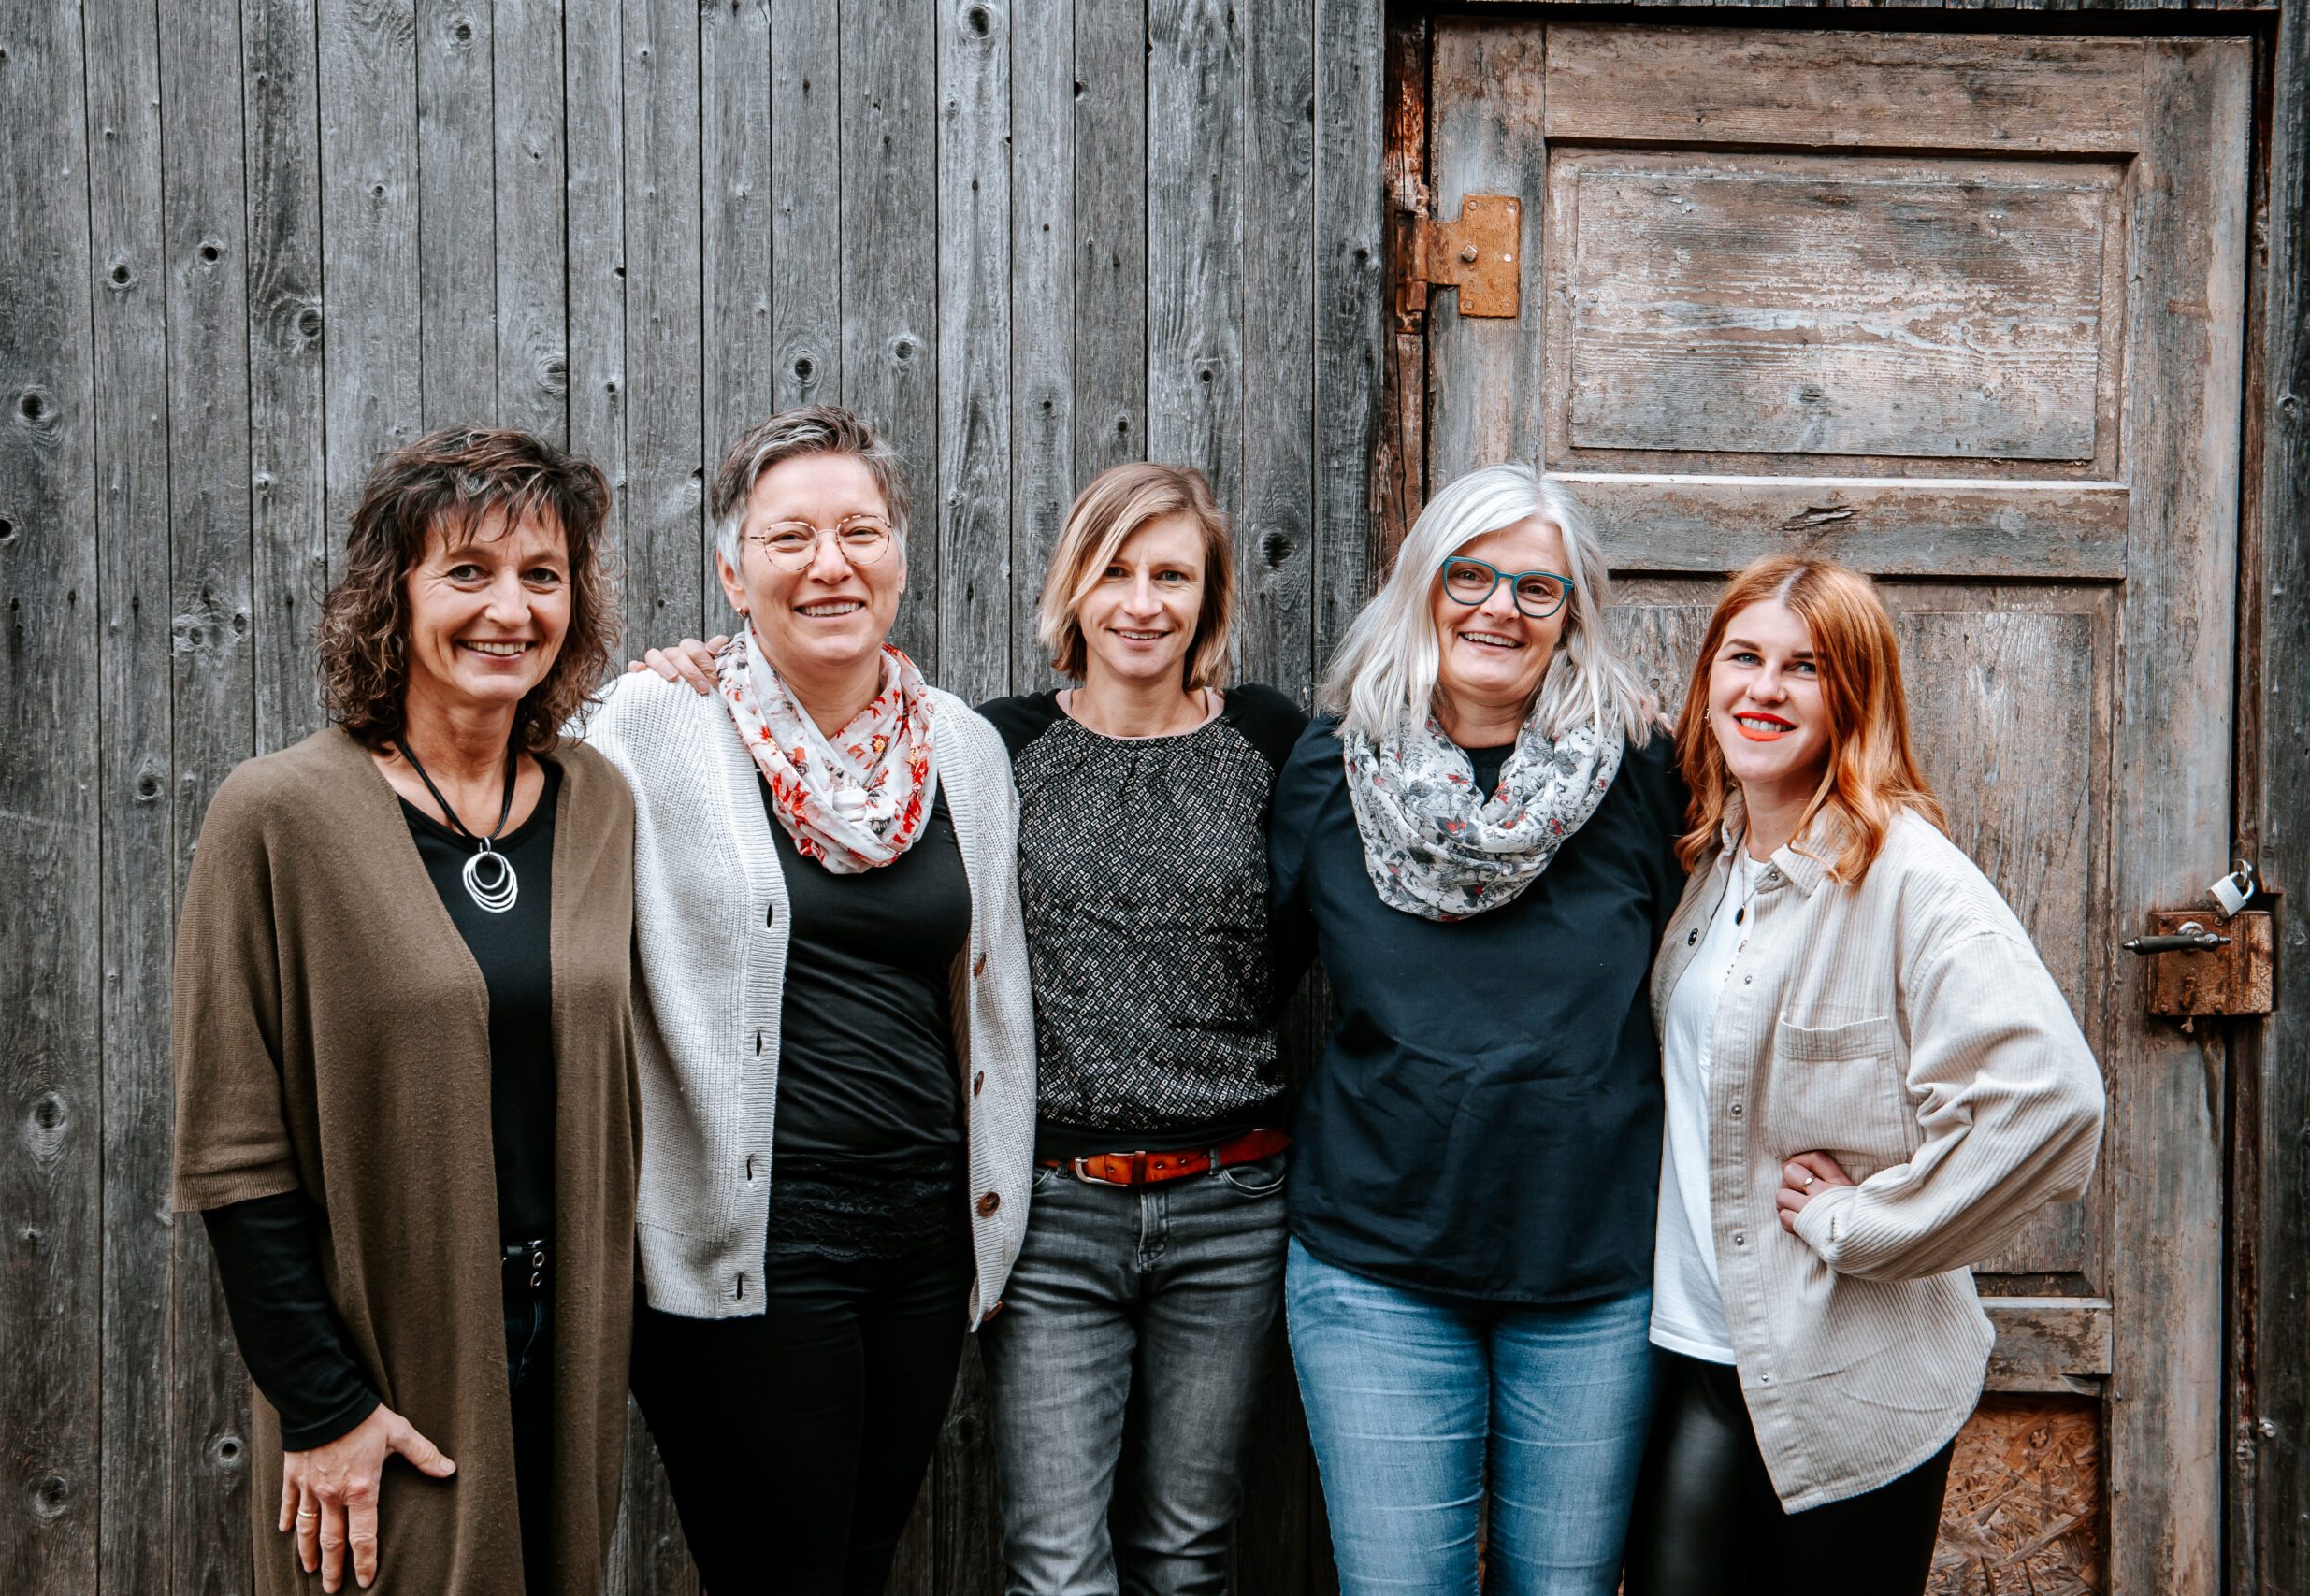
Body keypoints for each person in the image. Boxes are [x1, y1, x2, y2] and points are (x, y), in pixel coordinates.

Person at [171, 425, 639, 1595]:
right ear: (394, 594)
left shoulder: (597, 801)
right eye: (467, 572)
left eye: (543, 575)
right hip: (386, 1364)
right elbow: (233, 1153)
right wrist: (324, 1406)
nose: (509, 610)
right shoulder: (277, 814)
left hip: (569, 1349)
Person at [582, 405, 1037, 1596]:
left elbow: (991, 997)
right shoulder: (654, 725)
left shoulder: (963, 750)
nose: (829, 564)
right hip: (752, 1245)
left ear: (899, 559)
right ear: (734, 576)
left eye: (859, 532)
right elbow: (527, 824)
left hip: (924, 1242)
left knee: (862, 1563)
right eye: (789, 539)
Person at [1622, 555, 2105, 1596]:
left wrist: (1864, 1223)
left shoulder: (1907, 876)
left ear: (1854, 695)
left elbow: (2050, 1099)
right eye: (1743, 658)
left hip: (1847, 1374)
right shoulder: (1711, 864)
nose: (1764, 689)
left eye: (1805, 667)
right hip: (1696, 1357)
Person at [1269, 463, 1682, 1594]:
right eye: (1470, 576)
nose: (1499, 607)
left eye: (1536, 588)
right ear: (1424, 585)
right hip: (1376, 1265)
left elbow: (1727, 966)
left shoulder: (1641, 771)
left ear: (1572, 615)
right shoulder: (1330, 769)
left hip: (1593, 1266)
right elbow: (1246, 977)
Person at [975, 464, 1307, 1595]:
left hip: (1232, 1204)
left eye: (1172, 576)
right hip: (1052, 1210)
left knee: (1185, 1549)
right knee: (1056, 1565)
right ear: (1073, 586)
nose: (1141, 603)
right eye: (1114, 571)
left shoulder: (1270, 740)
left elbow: (1313, 923)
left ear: (1209, 598)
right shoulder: (999, 748)